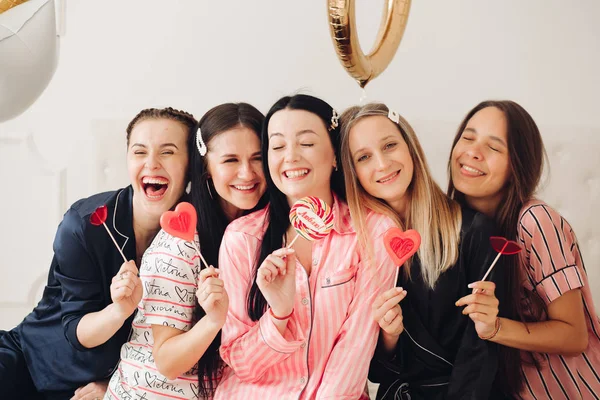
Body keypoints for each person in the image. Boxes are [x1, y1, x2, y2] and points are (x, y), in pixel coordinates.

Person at [0, 107, 196, 400]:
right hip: (29, 361)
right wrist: (120, 310)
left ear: (191, 164)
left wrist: (114, 387)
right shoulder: (84, 224)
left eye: (167, 152)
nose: (151, 164)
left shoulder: (201, 237)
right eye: (139, 152)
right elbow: (76, 329)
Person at [214, 94, 396, 399]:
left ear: (336, 154)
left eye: (306, 143)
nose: (291, 156)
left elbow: (356, 346)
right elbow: (241, 364)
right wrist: (279, 315)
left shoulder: (375, 231)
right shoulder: (242, 238)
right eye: (278, 146)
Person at [339, 103, 504, 399]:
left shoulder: (473, 232)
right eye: (363, 157)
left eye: (390, 145)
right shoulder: (356, 251)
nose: (382, 163)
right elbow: (375, 372)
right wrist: (389, 338)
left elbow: (481, 354)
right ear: (352, 173)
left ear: (411, 147)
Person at [105, 102, 267, 399]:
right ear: (206, 169)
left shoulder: (264, 233)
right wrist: (214, 320)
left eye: (257, 158)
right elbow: (167, 362)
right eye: (230, 160)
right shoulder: (180, 243)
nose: (247, 173)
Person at [450, 100, 600, 398]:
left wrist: (494, 327)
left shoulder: (535, 221)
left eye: (493, 147)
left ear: (517, 164)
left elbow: (574, 335)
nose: (473, 152)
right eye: (467, 138)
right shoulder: (453, 226)